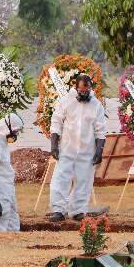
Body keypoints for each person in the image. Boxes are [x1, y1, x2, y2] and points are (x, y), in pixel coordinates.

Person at [49, 75, 107, 222]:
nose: (84, 93)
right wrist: (54, 146)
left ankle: (78, 211)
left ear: (90, 88)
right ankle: (58, 210)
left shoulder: (96, 105)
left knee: (84, 181)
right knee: (60, 179)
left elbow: (100, 131)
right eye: (81, 90)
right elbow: (56, 123)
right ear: (76, 88)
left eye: (87, 90)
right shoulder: (65, 101)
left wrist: (99, 152)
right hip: (67, 149)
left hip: (87, 151)